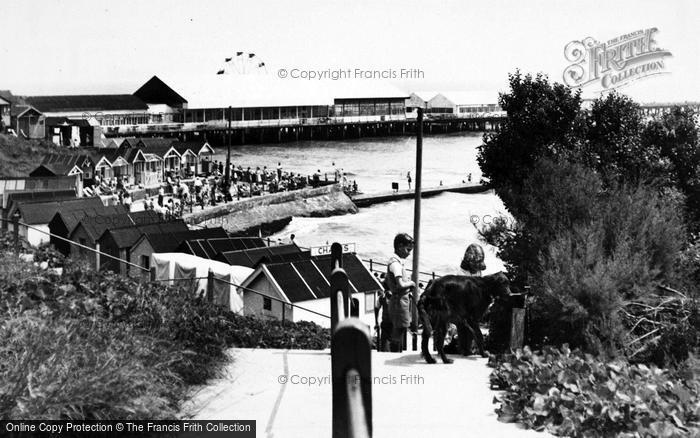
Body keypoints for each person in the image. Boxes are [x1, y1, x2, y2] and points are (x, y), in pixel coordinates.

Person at [385, 233, 416, 352]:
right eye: (408, 249)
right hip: (399, 301)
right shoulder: (395, 264)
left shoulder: (396, 262)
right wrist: (411, 283)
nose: (409, 253)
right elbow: (400, 284)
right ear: (399, 246)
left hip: (400, 300)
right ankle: (394, 353)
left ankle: (395, 351)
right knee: (399, 330)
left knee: (400, 329)